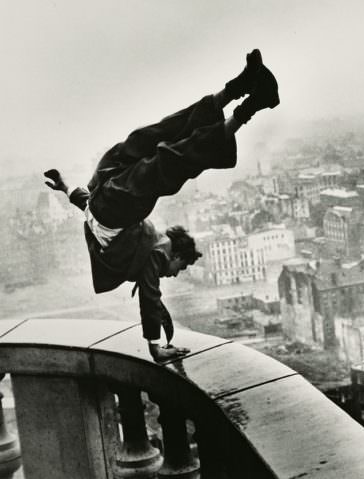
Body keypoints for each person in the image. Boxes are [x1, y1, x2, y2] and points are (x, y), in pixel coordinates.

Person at [43, 49, 279, 361]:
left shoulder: (148, 246)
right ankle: (248, 97)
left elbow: (90, 211)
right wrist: (156, 346)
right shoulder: (155, 252)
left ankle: (248, 96)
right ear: (175, 253)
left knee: (162, 139)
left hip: (105, 187)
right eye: (180, 268)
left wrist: (65, 188)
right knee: (169, 153)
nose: (174, 274)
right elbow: (150, 297)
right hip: (109, 195)